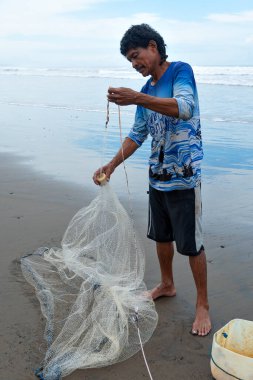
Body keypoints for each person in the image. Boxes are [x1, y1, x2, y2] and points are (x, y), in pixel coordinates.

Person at [93, 23, 211, 337]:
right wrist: (112, 164)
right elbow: (137, 134)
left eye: (136, 56)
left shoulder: (180, 72)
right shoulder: (144, 92)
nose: (134, 64)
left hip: (184, 178)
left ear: (153, 47)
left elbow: (184, 108)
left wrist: (136, 99)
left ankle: (203, 305)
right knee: (161, 237)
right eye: (130, 60)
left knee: (191, 244)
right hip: (157, 178)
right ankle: (167, 284)